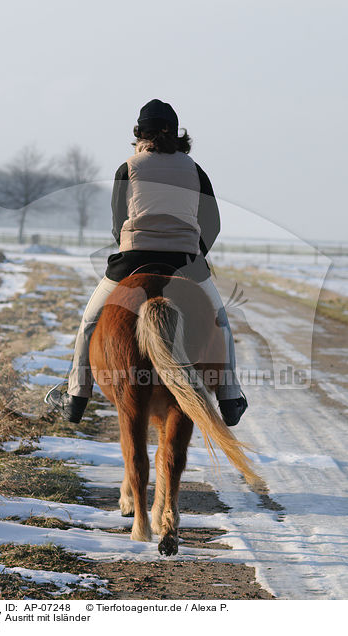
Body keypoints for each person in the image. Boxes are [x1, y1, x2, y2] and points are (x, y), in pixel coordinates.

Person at [46, 99, 247, 426]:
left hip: (133, 260)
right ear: (177, 133)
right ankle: (230, 398)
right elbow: (212, 224)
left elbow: (117, 220)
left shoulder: (128, 167)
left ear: (140, 133)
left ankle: (76, 397)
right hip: (186, 262)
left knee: (90, 322)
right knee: (220, 323)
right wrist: (195, 254)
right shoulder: (196, 171)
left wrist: (131, 246)